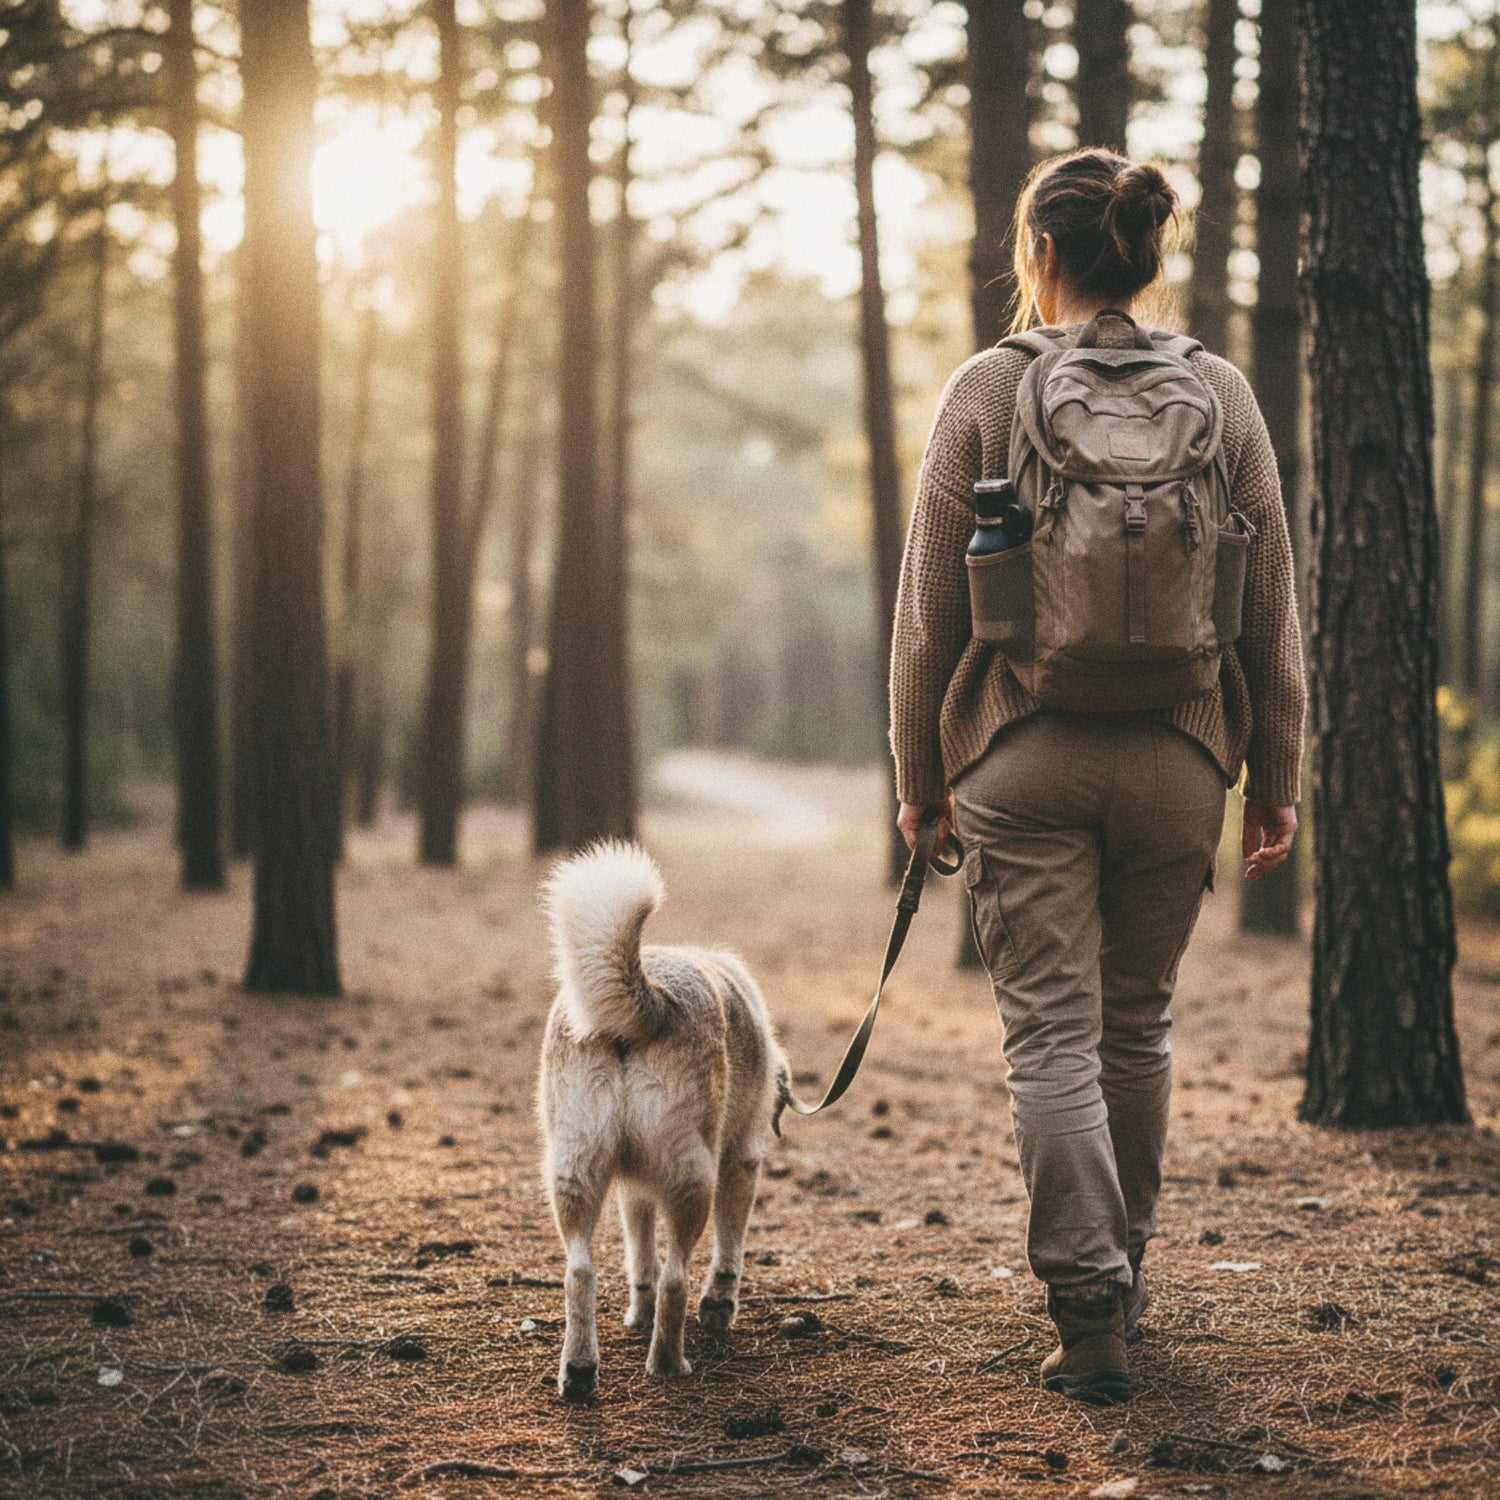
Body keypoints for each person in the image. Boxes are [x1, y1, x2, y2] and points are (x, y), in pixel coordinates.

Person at [889, 148, 1305, 1405]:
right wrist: (1274, 774)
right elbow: (1269, 616)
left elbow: (928, 622)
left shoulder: (985, 389)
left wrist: (920, 777)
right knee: (1138, 1026)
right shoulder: (1221, 395)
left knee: (1053, 1036)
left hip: (1025, 750)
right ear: (1150, 255)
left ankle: (1089, 1319)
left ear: (1042, 256)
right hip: (1183, 756)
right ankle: (1123, 1269)